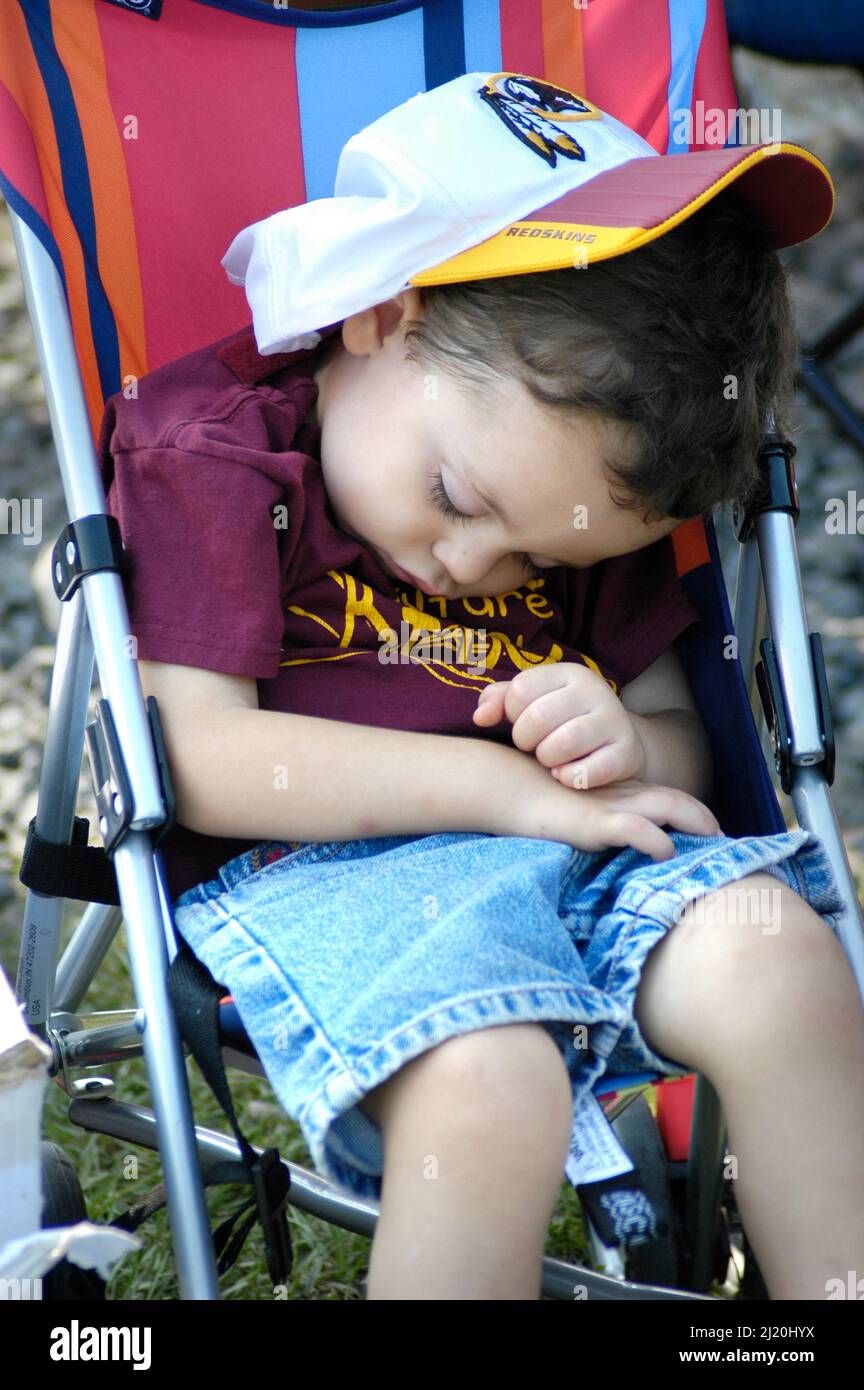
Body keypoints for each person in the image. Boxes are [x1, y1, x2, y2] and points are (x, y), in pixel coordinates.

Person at [98, 74, 861, 1300]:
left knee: (782, 963)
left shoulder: (570, 499)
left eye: (544, 562)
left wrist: (626, 743)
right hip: (321, 876)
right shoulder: (223, 457)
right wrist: (511, 792)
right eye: (458, 498)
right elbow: (199, 757)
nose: (467, 566)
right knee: (488, 1078)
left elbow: (675, 743)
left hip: (581, 861)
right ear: (384, 315)